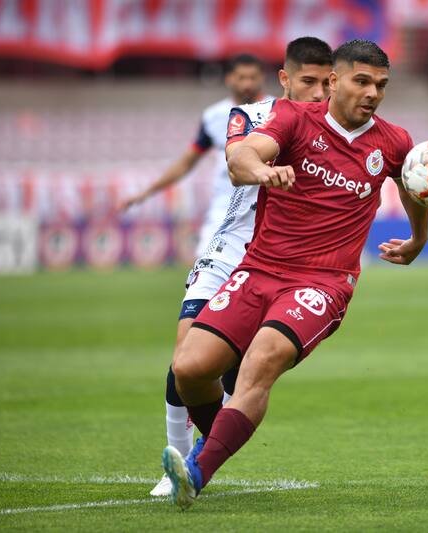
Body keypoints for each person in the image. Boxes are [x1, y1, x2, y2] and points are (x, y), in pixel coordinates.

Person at [161, 39, 428, 509]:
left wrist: (418, 237)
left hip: (322, 283)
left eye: (381, 85)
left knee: (260, 361)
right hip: (259, 268)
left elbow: (413, 186)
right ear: (334, 81)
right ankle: (220, 435)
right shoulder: (293, 119)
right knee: (188, 369)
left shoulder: (392, 142)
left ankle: (197, 472)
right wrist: (264, 173)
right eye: (362, 81)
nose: (372, 93)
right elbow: (241, 156)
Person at [147, 38, 334, 497]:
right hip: (229, 250)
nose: (317, 93)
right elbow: (237, 161)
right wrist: (264, 169)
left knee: (235, 375)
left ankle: (202, 458)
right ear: (285, 79)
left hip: (283, 263)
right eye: (307, 81)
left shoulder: (339, 128)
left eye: (326, 84)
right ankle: (176, 462)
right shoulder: (249, 116)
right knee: (185, 358)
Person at [117, 53, 267, 257]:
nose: (248, 83)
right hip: (226, 209)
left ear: (262, 78)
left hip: (268, 208)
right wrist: (146, 193)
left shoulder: (278, 111)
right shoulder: (214, 116)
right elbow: (186, 163)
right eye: (242, 77)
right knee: (204, 272)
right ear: (229, 79)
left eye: (253, 77)